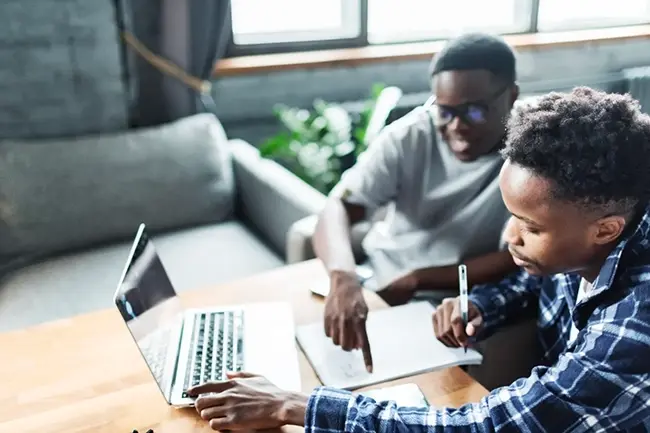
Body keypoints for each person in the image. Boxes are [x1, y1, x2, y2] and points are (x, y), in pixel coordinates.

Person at [186, 87, 650, 432]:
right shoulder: (591, 241)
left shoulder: (636, 322)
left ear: (605, 229)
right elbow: (544, 284)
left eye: (531, 227)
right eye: (512, 217)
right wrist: (484, 306)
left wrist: (296, 406)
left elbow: (486, 427)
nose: (511, 238)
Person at [314, 32, 520, 371]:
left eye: (475, 112)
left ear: (511, 96)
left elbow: (521, 254)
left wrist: (420, 278)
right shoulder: (409, 135)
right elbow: (338, 207)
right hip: (378, 289)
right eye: (445, 111)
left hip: (458, 305)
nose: (457, 126)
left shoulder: (535, 149)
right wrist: (343, 278)